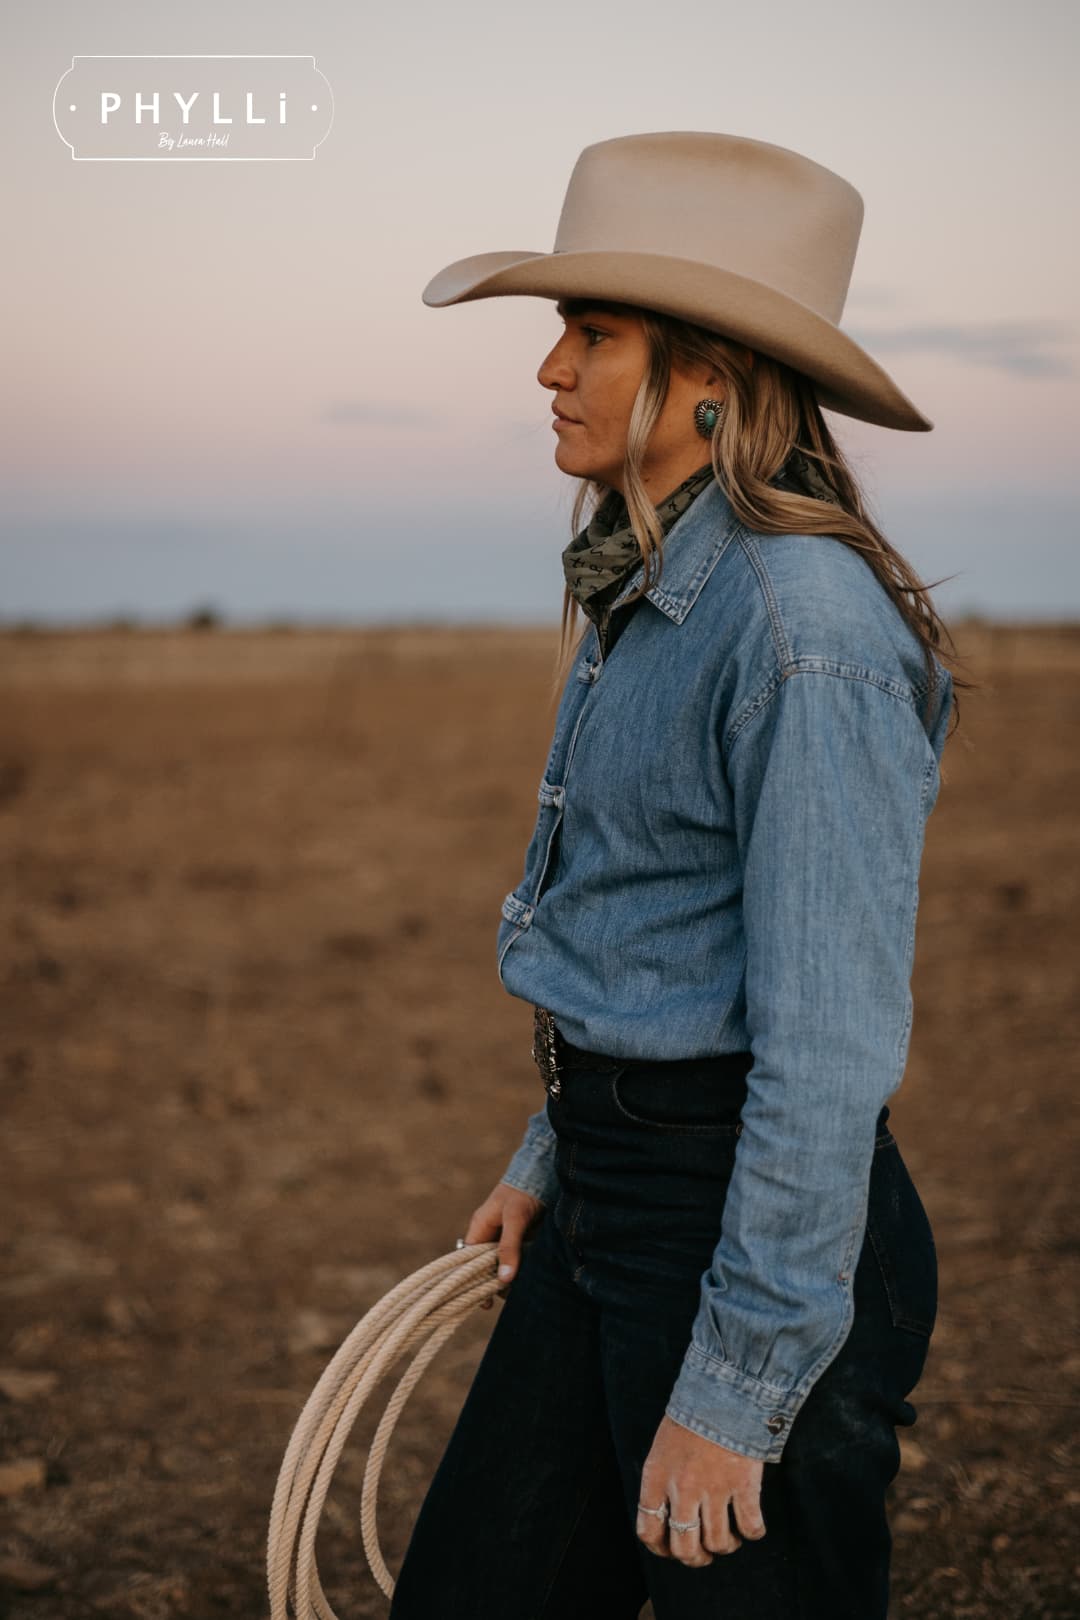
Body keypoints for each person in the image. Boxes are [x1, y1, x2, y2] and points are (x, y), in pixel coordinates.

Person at [389, 131, 966, 1620]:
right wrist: (553, 1159)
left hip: (743, 1232)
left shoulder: (801, 632)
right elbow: (649, 930)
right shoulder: (654, 583)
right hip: (619, 1190)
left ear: (707, 373)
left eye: (592, 335)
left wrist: (741, 1387)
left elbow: (826, 1049)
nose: (551, 374)